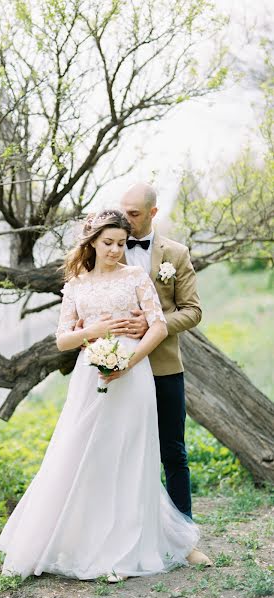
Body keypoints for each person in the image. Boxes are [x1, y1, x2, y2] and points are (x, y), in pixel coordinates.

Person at [0, 209, 200, 583]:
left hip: (133, 375)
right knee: (82, 451)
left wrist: (129, 361)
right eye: (109, 243)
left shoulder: (136, 277)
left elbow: (156, 327)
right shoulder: (75, 284)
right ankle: (78, 540)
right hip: (91, 376)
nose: (116, 250)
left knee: (129, 454)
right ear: (91, 242)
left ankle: (124, 546)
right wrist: (98, 329)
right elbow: (62, 339)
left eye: (121, 243)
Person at [118, 182, 212, 566]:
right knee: (121, 453)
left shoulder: (176, 253)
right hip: (119, 369)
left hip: (163, 368)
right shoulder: (107, 248)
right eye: (123, 211)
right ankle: (126, 537)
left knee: (173, 452)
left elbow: (192, 310)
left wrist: (154, 323)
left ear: (153, 213)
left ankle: (184, 540)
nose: (126, 220)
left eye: (134, 214)